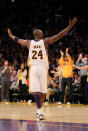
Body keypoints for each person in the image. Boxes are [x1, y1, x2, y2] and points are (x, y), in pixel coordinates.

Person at [7, 17, 77, 120]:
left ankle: (39, 110)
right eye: (42, 33)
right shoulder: (45, 41)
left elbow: (18, 40)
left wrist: (11, 35)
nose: (43, 34)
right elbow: (59, 35)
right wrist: (70, 26)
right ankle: (40, 111)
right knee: (41, 91)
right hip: (41, 68)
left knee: (39, 91)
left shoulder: (28, 43)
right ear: (40, 34)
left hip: (34, 68)